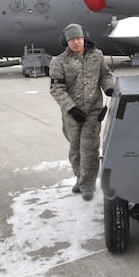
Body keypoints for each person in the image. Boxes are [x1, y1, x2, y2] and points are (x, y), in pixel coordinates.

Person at [49, 23, 114, 201]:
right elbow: (56, 89)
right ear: (66, 42)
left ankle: (87, 185)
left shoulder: (97, 56)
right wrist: (71, 108)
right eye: (71, 40)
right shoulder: (59, 62)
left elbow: (105, 75)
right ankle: (80, 177)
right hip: (72, 113)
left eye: (78, 38)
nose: (76, 42)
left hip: (93, 109)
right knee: (75, 149)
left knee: (90, 148)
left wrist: (109, 88)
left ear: (84, 38)